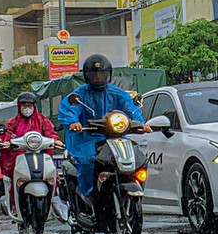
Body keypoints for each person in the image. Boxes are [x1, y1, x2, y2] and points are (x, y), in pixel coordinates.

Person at [57, 54, 150, 214]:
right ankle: (89, 196)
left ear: (109, 74)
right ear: (87, 76)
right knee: (88, 161)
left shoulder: (118, 93)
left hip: (113, 138)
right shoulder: (79, 95)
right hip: (86, 139)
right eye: (94, 74)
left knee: (137, 158)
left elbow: (131, 108)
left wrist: (140, 123)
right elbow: (69, 109)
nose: (98, 77)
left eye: (102, 74)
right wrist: (73, 122)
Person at [0, 90, 60, 185]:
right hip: (19, 157)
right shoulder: (13, 122)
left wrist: (55, 140)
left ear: (34, 106)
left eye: (29, 106)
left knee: (51, 178)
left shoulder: (42, 120)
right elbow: (7, 134)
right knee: (16, 180)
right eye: (24, 106)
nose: (27, 109)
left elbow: (50, 132)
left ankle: (53, 197)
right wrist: (6, 142)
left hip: (41, 155)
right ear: (19, 107)